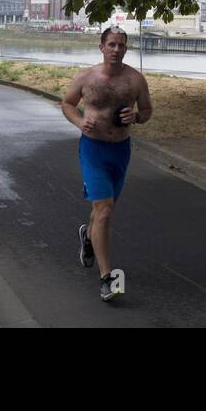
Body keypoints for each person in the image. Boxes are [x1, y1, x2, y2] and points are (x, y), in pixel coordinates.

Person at [60, 26, 152, 301]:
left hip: (121, 151)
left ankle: (87, 236)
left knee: (103, 208)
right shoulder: (87, 77)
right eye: (111, 44)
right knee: (105, 209)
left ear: (126, 48)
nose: (116, 50)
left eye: (121, 45)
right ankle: (106, 278)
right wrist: (79, 121)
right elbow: (66, 103)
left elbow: (147, 110)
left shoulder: (135, 80)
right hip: (93, 149)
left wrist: (135, 117)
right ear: (102, 47)